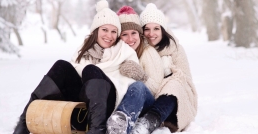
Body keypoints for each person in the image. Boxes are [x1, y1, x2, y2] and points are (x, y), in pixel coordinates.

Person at [12, 0, 139, 134]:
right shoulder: (84, 50)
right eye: (105, 30)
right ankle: (24, 122)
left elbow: (130, 87)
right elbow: (73, 74)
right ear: (96, 31)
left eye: (114, 31)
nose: (109, 35)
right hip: (82, 107)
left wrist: (93, 73)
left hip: (108, 105)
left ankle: (97, 130)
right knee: (61, 65)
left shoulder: (125, 51)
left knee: (91, 70)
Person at [108, 3, 198, 134]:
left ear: (163, 30)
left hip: (174, 99)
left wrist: (167, 78)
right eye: (147, 29)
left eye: (156, 28)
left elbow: (186, 79)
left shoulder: (175, 49)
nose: (151, 34)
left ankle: (146, 124)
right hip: (147, 98)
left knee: (174, 84)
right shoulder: (137, 46)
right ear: (142, 31)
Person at [105, 6, 164, 134]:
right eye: (124, 34)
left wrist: (141, 76)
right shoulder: (115, 54)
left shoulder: (148, 53)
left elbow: (157, 89)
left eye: (134, 33)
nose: (130, 39)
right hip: (120, 101)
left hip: (145, 103)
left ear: (139, 34)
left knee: (138, 86)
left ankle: (120, 125)